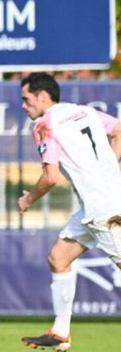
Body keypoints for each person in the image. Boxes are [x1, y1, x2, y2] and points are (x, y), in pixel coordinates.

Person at [17, 72, 121, 351]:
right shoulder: (82, 112)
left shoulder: (44, 124)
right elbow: (119, 129)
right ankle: (60, 333)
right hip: (97, 205)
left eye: (26, 100)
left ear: (42, 96)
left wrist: (28, 200)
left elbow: (50, 177)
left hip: (106, 210)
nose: (23, 106)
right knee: (59, 258)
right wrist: (109, 169)